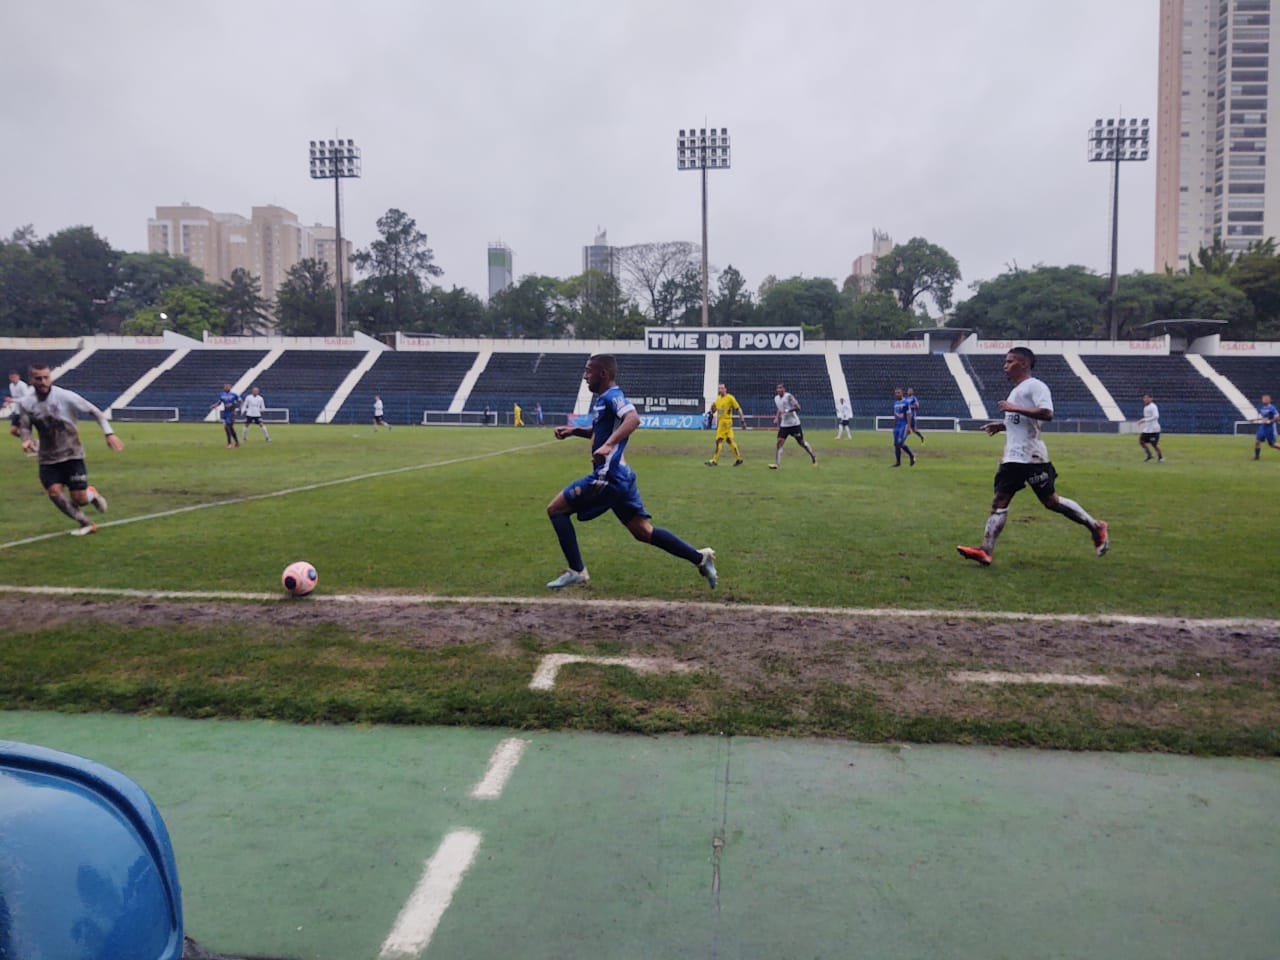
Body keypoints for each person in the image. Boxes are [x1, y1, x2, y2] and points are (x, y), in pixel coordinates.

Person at [545, 354, 717, 591]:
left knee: (555, 510)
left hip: (608, 477)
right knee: (643, 532)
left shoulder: (614, 396)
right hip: (622, 475)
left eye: (588, 371)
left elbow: (633, 419)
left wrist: (608, 445)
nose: (585, 376)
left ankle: (577, 571)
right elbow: (600, 431)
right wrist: (574, 431)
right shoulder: (604, 400)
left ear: (603, 374)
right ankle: (700, 558)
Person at [957, 347, 1108, 566]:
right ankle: (985, 550)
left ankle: (1096, 527)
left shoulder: (1036, 386)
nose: (1005, 366)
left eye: (1009, 362)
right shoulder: (1017, 391)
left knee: (1051, 501)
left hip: (1032, 457)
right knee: (999, 501)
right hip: (1012, 457)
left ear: (1024, 364)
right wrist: (1002, 425)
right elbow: (1021, 422)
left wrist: (1013, 408)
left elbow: (1047, 413)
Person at [14, 362, 123, 536]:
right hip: (48, 458)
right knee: (54, 493)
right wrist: (26, 440)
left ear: (51, 377)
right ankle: (86, 523)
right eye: (38, 378)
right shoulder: (26, 403)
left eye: (46, 377)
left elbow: (95, 412)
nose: (43, 381)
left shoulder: (65, 396)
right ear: (31, 379)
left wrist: (109, 434)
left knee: (79, 499)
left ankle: (91, 494)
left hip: (72, 454)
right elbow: (25, 426)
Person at [769, 382, 817, 469]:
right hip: (784, 424)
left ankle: (812, 455)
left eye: (781, 388)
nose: (779, 390)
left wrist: (788, 411)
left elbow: (798, 407)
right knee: (779, 442)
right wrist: (777, 417)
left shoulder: (789, 396)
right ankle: (777, 464)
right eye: (778, 388)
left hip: (794, 424)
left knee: (801, 443)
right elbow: (779, 409)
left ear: (784, 389)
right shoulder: (776, 398)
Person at [705, 383, 747, 466]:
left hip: (725, 422)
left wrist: (742, 420)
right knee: (729, 440)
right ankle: (738, 459)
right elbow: (714, 410)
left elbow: (738, 409)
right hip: (722, 421)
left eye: (722, 388)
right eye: (719, 388)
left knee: (718, 440)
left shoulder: (730, 398)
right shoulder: (718, 399)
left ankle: (714, 460)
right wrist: (712, 409)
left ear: (725, 389)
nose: (720, 390)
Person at [6, 370, 34, 452]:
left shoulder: (22, 385)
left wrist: (13, 400)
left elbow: (26, 399)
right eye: (11, 377)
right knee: (13, 431)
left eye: (14, 377)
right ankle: (31, 442)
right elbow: (14, 398)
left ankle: (32, 446)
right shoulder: (11, 386)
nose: (13, 378)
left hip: (25, 411)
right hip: (17, 411)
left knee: (24, 430)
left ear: (18, 377)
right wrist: (9, 402)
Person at [891, 388, 916, 467]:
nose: (897, 394)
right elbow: (895, 415)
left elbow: (909, 414)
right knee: (896, 444)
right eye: (896, 393)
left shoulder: (906, 402)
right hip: (897, 426)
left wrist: (908, 427)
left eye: (898, 393)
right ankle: (898, 462)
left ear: (902, 393)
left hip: (904, 425)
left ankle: (911, 455)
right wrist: (894, 425)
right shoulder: (895, 403)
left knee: (900, 443)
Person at [210, 383, 240, 448]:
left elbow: (240, 402)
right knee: (231, 428)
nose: (226, 388)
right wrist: (214, 405)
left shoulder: (234, 395)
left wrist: (237, 409)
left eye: (228, 387)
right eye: (225, 387)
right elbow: (219, 402)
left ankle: (229, 443)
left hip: (232, 413)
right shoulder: (222, 395)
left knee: (227, 427)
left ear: (230, 387)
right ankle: (237, 442)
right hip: (226, 413)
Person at [1137, 392, 1162, 462]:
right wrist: (1143, 420)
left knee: (1154, 444)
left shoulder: (1153, 406)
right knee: (1141, 441)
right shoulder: (1145, 407)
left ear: (1151, 399)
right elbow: (1147, 417)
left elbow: (1156, 416)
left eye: (1147, 398)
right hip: (1147, 429)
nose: (1145, 399)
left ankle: (1160, 457)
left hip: (1154, 429)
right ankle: (1149, 455)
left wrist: (1144, 420)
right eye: (1144, 398)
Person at [1254, 393, 1280, 460]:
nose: (1264, 400)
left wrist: (1270, 421)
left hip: (1269, 428)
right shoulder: (1261, 407)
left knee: (1273, 444)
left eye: (1266, 399)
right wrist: (1256, 420)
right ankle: (1257, 457)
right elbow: (1264, 417)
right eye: (1263, 399)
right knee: (1257, 441)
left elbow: (1278, 417)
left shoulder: (1272, 408)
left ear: (1269, 400)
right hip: (1263, 427)